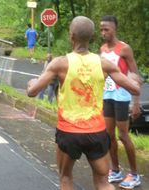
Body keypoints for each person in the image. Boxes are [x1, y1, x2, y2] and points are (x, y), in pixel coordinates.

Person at [26, 16, 141, 190]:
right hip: (96, 132)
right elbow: (134, 88)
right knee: (103, 182)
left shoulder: (60, 63)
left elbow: (32, 92)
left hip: (69, 132)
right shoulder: (104, 63)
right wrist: (133, 78)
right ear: (92, 36)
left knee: (65, 178)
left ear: (71, 36)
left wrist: (31, 83)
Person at [100, 15, 142, 189]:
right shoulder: (102, 49)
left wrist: (136, 102)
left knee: (123, 136)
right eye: (101, 29)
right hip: (107, 95)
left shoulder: (124, 49)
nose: (103, 33)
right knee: (109, 135)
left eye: (106, 29)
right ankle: (115, 170)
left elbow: (135, 76)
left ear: (115, 29)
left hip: (122, 97)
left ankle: (134, 174)